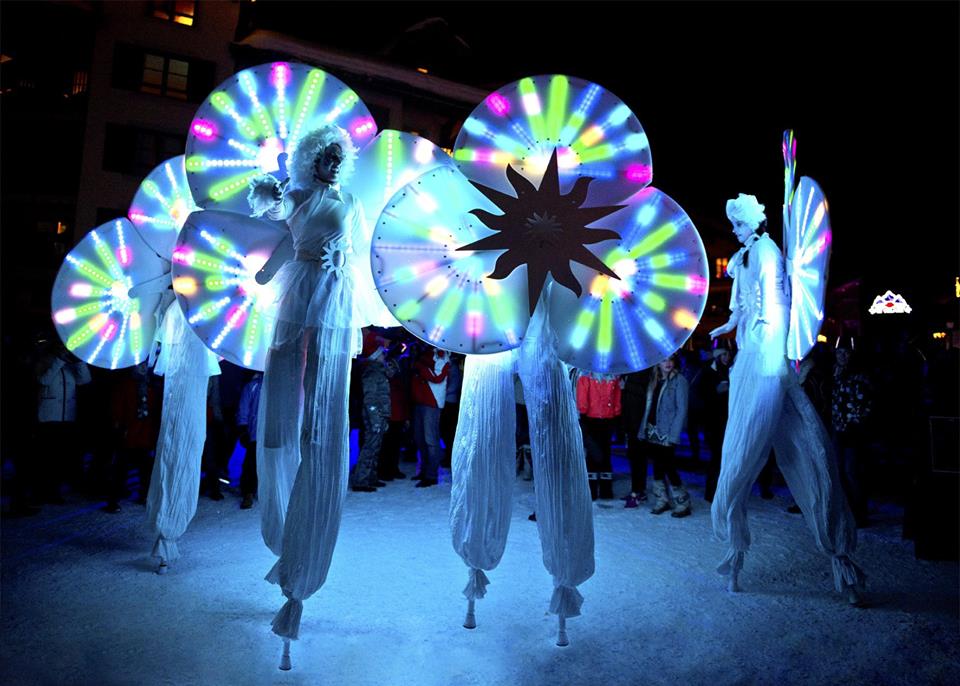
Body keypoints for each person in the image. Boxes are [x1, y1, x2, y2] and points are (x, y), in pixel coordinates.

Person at [248, 124, 386, 642]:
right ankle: (285, 441)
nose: (330, 162)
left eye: (336, 156)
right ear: (312, 159)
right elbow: (278, 225)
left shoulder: (349, 199)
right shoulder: (299, 193)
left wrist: (364, 283)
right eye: (322, 155)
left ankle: (316, 442)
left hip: (337, 287)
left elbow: (359, 245)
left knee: (325, 374)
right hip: (304, 283)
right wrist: (269, 195)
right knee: (288, 361)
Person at [709, 193, 864, 604]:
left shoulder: (765, 251)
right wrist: (727, 326)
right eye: (733, 225)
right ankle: (734, 553)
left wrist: (766, 344)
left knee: (798, 452)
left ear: (752, 223)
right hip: (752, 357)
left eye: (738, 223)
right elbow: (741, 306)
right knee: (741, 455)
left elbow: (774, 305)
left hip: (767, 355)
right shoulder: (745, 255)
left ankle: (841, 559)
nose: (734, 230)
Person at [35, 339, 91, 503]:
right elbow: (43, 380)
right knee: (47, 457)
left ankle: (56, 490)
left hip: (67, 417)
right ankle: (44, 490)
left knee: (61, 456)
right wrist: (58, 360)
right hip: (48, 418)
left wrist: (79, 361)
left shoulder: (69, 366)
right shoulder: (45, 362)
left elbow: (85, 380)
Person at [638, 355, 691, 517]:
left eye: (671, 360)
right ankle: (662, 499)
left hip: (667, 432)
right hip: (652, 429)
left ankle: (683, 501)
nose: (667, 363)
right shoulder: (654, 380)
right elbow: (648, 407)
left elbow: (682, 410)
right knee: (658, 465)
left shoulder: (679, 381)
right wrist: (643, 429)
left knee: (668, 465)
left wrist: (674, 435)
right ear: (658, 363)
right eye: (663, 360)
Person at [831, 340, 872, 527]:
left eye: (846, 353)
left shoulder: (859, 376)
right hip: (838, 429)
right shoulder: (835, 373)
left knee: (851, 471)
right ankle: (846, 511)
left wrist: (854, 422)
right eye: (840, 353)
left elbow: (864, 404)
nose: (842, 356)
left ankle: (859, 513)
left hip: (853, 431)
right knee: (840, 470)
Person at [350, 330, 397, 492]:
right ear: (376, 356)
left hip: (380, 415)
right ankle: (361, 480)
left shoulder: (379, 370)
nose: (384, 356)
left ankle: (371, 477)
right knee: (369, 448)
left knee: (375, 448)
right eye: (382, 354)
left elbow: (392, 373)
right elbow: (369, 398)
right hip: (374, 416)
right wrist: (375, 418)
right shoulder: (371, 372)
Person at [410, 345, 450, 487]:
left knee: (430, 440)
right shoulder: (425, 353)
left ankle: (431, 475)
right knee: (420, 439)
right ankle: (424, 471)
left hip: (432, 402)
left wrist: (419, 366)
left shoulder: (441, 354)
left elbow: (437, 377)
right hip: (420, 401)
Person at [703, 346, 733, 502]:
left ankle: (721, 490)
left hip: (727, 420)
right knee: (716, 458)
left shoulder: (729, 371)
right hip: (715, 422)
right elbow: (705, 397)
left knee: (724, 457)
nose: (727, 357)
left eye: (728, 354)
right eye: (724, 354)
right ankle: (711, 491)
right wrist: (717, 391)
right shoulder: (709, 372)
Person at [236, 371, 263, 509]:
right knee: (251, 463)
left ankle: (261, 490)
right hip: (256, 432)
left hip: (270, 432)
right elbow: (244, 408)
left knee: (264, 462)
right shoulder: (253, 386)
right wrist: (243, 428)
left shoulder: (278, 386)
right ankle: (248, 492)